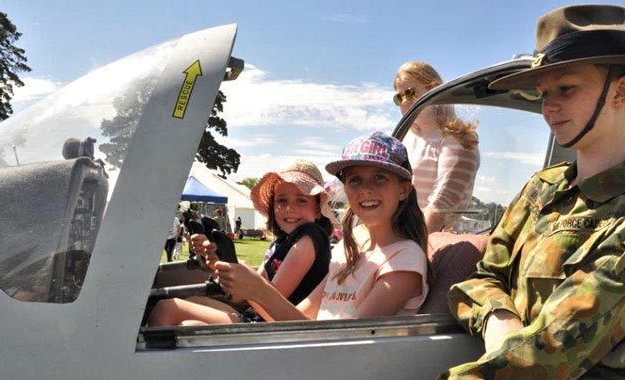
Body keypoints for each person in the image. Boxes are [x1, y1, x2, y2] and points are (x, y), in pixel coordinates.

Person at [353, 5, 625, 380]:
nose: (549, 107)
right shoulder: (541, 190)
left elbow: (548, 358)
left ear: (620, 91)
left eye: (566, 90)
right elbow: (479, 279)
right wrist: (498, 316)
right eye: (543, 93)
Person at [209, 132, 429, 322]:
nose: (366, 189)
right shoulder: (350, 245)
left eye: (379, 178)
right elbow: (300, 319)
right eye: (355, 180)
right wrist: (251, 288)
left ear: (404, 191)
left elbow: (349, 343)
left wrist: (258, 290)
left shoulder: (405, 258)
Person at [148, 160, 337, 326]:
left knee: (167, 309)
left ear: (318, 209)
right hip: (256, 318)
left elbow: (267, 299)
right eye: (281, 200)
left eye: (301, 200)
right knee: (187, 316)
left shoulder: (310, 236)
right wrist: (217, 262)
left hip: (275, 327)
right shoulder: (280, 243)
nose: (289, 208)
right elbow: (242, 294)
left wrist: (240, 275)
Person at [394, 61, 480, 233]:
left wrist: (410, 252)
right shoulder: (402, 139)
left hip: (428, 244)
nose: (404, 102)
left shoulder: (457, 140)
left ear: (434, 90)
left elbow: (439, 209)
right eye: (399, 97)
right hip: (398, 240)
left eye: (410, 93)